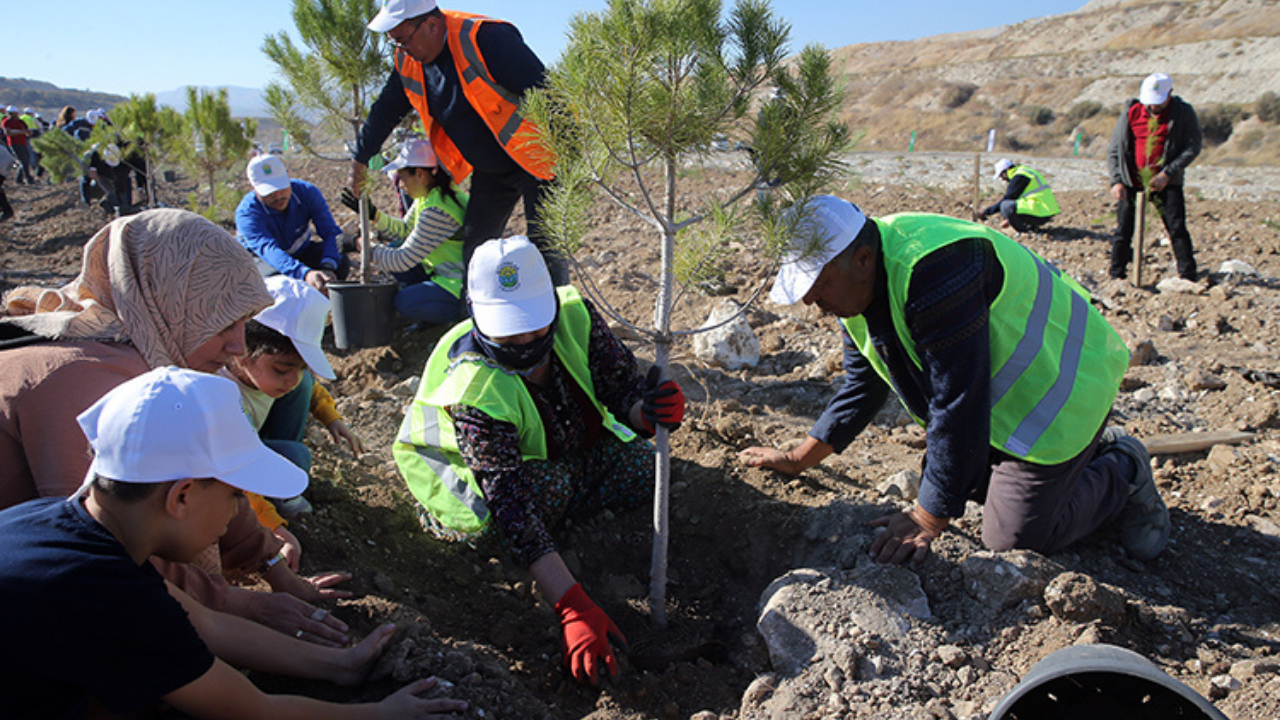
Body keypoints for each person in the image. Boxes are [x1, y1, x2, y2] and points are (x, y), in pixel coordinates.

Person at [0, 366, 468, 719]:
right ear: (181, 495)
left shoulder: (64, 526)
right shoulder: (101, 594)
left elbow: (205, 623)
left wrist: (342, 665)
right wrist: (378, 714)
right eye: (232, 496)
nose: (232, 517)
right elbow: (252, 711)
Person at [739, 195, 1171, 564]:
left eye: (816, 282)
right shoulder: (858, 285)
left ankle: (1123, 467)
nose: (811, 299)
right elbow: (862, 385)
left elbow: (958, 400)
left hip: (1063, 392)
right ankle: (1071, 466)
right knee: (956, 478)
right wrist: (798, 458)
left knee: (1012, 541)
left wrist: (928, 518)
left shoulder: (935, 271)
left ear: (863, 259)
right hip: (1002, 403)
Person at [1, 209, 353, 644]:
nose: (239, 344)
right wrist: (244, 604)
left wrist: (270, 563)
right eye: (224, 322)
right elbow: (110, 556)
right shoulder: (87, 380)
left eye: (244, 323)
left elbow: (211, 467)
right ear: (166, 297)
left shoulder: (138, 354)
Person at [394, 236, 686, 684]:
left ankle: (566, 525)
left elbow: (620, 386)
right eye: (508, 332)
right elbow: (510, 503)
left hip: (562, 453)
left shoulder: (576, 318)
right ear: (474, 312)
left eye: (533, 327)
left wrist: (648, 413)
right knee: (543, 493)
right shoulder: (475, 388)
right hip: (480, 493)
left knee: (643, 469)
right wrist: (571, 604)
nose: (525, 342)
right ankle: (534, 551)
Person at [350, 0, 567, 287]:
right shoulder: (409, 62)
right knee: (476, 250)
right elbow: (385, 110)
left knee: (546, 251)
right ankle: (481, 324)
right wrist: (360, 159)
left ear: (430, 24)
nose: (400, 51)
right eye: (395, 44)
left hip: (537, 160)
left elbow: (547, 94)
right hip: (491, 171)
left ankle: (557, 324)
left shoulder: (484, 38)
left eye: (403, 41)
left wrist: (572, 159)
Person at [223, 276, 366, 520]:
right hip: (232, 459)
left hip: (254, 439)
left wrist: (332, 419)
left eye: (302, 367)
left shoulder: (274, 375)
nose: (291, 378)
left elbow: (310, 389)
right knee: (296, 457)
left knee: (303, 386)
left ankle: (280, 478)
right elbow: (230, 465)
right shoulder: (221, 396)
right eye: (281, 369)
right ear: (242, 353)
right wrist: (270, 524)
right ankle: (279, 492)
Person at [341, 137, 468, 324]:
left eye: (402, 177)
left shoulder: (439, 209)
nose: (400, 184)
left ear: (419, 173)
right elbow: (405, 230)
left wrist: (362, 246)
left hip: (458, 283)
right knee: (394, 245)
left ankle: (460, 315)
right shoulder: (430, 195)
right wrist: (373, 214)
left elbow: (401, 260)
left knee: (405, 302)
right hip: (443, 274)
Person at [1106, 72, 1202, 281]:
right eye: (1149, 103)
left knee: (1176, 228)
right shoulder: (1131, 112)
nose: (1153, 107)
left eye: (1158, 103)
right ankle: (1117, 275)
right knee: (1123, 230)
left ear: (1170, 94)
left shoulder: (1183, 113)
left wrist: (1168, 172)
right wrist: (1117, 180)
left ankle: (1187, 276)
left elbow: (1193, 146)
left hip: (1166, 183)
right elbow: (1115, 149)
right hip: (1131, 182)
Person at [236, 153, 350, 296]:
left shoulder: (306, 193)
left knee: (340, 260)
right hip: (262, 263)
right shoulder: (247, 213)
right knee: (280, 286)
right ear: (253, 187)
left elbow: (330, 232)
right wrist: (305, 274)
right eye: (269, 192)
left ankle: (323, 304)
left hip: (298, 253)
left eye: (281, 188)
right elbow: (268, 249)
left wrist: (328, 267)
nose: (278, 196)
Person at [981, 158, 1059, 234]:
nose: (1002, 179)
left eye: (1001, 175)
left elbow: (1007, 199)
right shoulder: (1024, 172)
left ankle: (1024, 232)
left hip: (1040, 210)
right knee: (1009, 205)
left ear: (1007, 170)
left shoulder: (1020, 176)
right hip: (1043, 209)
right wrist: (1010, 220)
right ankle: (1032, 229)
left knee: (1006, 206)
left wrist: (986, 212)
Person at [3, 105, 35, 184]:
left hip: (23, 142)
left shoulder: (20, 121)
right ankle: (28, 179)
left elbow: (26, 130)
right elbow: (8, 133)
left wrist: (28, 132)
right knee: (23, 161)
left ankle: (18, 180)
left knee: (26, 161)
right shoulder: (7, 122)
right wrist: (21, 132)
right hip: (14, 143)